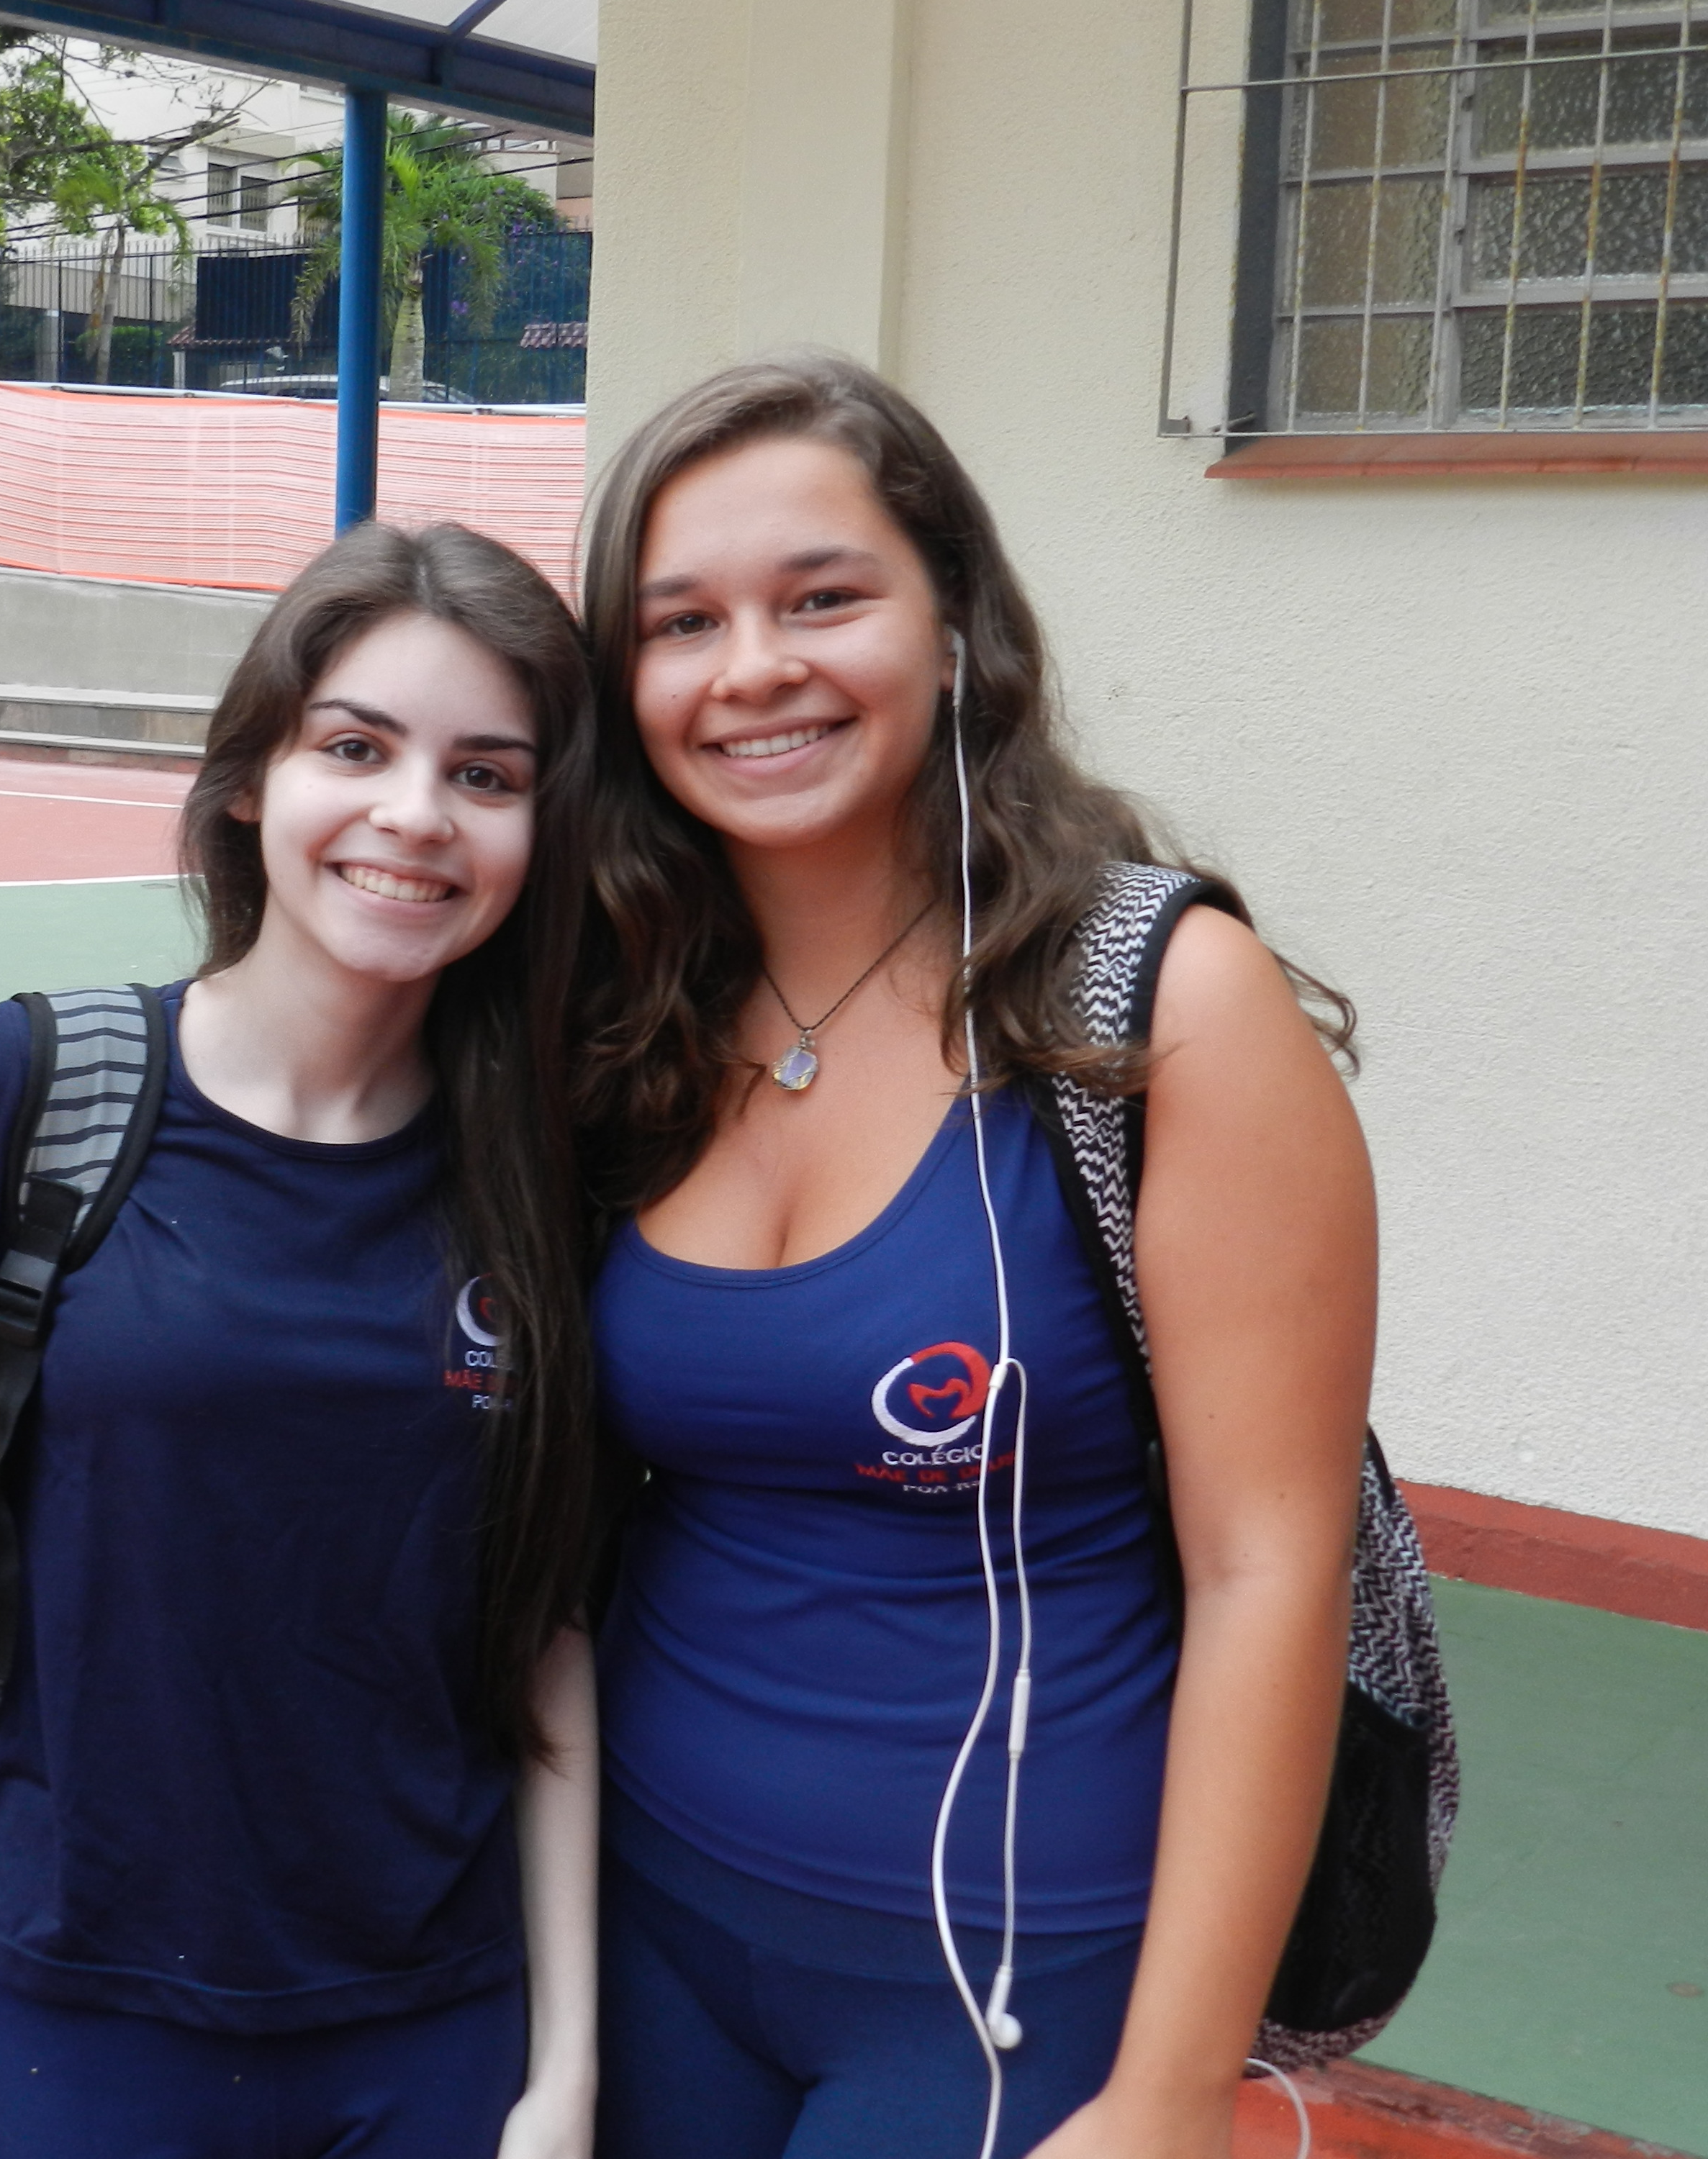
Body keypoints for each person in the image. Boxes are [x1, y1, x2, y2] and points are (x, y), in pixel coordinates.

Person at [570, 357, 1373, 2159]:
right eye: (680, 622)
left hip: (1001, 1973)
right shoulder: (626, 1002)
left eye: (820, 598)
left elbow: (1266, 1567)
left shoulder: (1157, 1004)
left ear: (951, 631)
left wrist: (1170, 2092)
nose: (749, 667)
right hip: (639, 1915)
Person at [0, 522, 608, 2159]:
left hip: (429, 2023)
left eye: (485, 774)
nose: (415, 813)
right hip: (77, 2007)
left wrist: (566, 2070)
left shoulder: (546, 1176)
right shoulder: (43, 1091)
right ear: (251, 780)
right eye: (355, 747)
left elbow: (546, 1634)